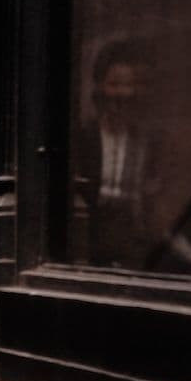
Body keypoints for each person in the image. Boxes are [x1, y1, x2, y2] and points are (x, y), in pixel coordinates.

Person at [73, 38, 161, 266]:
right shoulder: (84, 136)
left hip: (132, 243)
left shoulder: (150, 141)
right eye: (114, 84)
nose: (123, 93)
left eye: (130, 85)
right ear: (100, 87)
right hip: (90, 242)